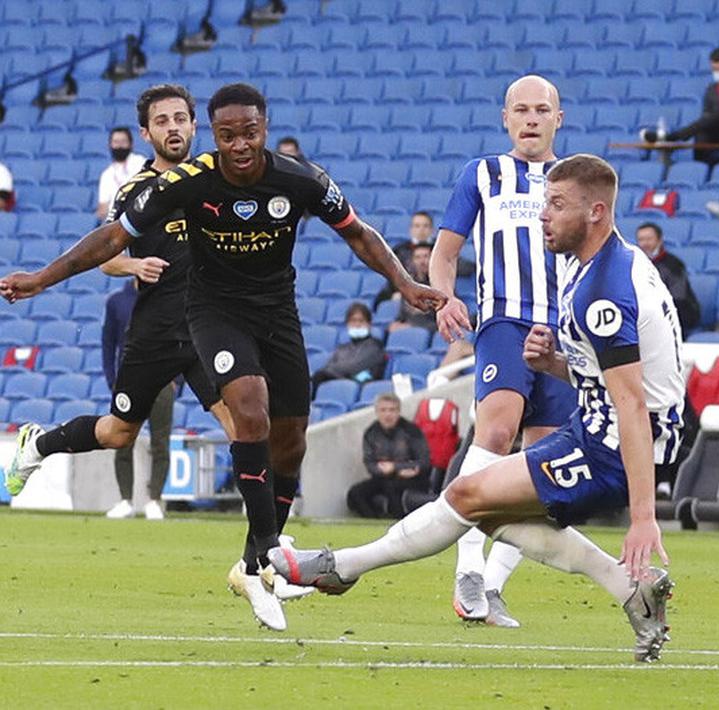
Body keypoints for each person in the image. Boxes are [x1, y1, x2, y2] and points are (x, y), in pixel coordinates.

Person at [0, 82, 446, 633]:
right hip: (194, 317)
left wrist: (403, 282)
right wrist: (42, 278)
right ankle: (269, 557)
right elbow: (111, 242)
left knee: (286, 437)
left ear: (256, 128)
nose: (237, 144)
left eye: (248, 133)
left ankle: (254, 562)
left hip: (275, 314)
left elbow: (357, 232)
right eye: (225, 134)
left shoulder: (298, 178)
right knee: (184, 421)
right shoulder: (169, 185)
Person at [271, 153, 683, 664]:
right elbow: (615, 379)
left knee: (466, 496)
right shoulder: (599, 265)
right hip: (601, 424)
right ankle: (630, 589)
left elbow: (633, 403)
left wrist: (644, 516)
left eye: (556, 205)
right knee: (484, 512)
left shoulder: (603, 290)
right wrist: (555, 364)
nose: (542, 216)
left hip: (618, 443)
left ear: (596, 212)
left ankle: (344, 566)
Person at [4, 84, 235, 528]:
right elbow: (104, 256)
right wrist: (134, 263)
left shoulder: (216, 181)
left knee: (243, 427)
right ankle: (38, 445)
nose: (173, 127)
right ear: (146, 134)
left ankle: (265, 551)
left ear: (193, 124)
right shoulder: (137, 192)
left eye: (180, 118)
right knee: (117, 432)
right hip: (156, 332)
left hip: (208, 329)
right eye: (162, 121)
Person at [428, 75, 577, 628]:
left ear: (558, 119)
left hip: (564, 336)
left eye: (542, 109)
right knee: (494, 433)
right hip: (506, 323)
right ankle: (467, 566)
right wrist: (444, 299)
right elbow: (445, 253)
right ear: (505, 118)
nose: (532, 118)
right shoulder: (483, 175)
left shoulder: (578, 179)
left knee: (547, 471)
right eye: (522, 109)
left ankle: (490, 586)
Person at [100, 278, 176, 520]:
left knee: (160, 442)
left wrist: (178, 379)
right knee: (121, 439)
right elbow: (108, 342)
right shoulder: (117, 302)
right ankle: (125, 500)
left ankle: (154, 499)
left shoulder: (167, 297)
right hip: (129, 379)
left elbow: (182, 337)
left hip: (162, 379)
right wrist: (113, 379)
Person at [644, 47, 719, 166]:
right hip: (718, 135)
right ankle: (701, 169)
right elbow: (706, 117)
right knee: (702, 131)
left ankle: (672, 137)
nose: (718, 73)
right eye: (715, 69)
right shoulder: (712, 90)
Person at [348, 393, 434, 519]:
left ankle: (398, 523)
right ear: (377, 412)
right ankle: (372, 522)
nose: (387, 414)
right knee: (355, 493)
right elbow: (369, 463)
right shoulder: (371, 433)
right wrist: (380, 470)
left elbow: (425, 462)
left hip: (412, 478)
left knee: (392, 487)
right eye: (383, 410)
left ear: (398, 412)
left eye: (392, 410)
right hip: (383, 477)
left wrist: (396, 467)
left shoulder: (411, 431)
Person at [635, 221, 701, 333]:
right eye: (641, 239)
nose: (645, 243)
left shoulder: (673, 265)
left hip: (677, 317)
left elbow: (678, 297)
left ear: (659, 240)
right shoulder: (635, 263)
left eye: (649, 239)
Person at [311, 302, 387, 394]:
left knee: (321, 375)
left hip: (361, 388)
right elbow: (327, 366)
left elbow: (352, 367)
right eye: (353, 321)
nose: (357, 324)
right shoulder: (342, 348)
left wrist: (334, 369)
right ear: (347, 324)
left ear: (369, 324)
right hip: (338, 386)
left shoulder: (375, 346)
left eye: (361, 320)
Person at [96, 126, 147, 219]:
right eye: (116, 142)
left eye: (123, 142)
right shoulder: (107, 174)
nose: (119, 146)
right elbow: (102, 208)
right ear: (109, 145)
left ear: (131, 144)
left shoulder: (141, 163)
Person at [386, 243, 439, 333]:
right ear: (413, 261)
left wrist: (411, 326)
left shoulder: (439, 285)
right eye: (418, 257)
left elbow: (438, 321)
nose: (422, 262)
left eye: (426, 256)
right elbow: (403, 314)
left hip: (429, 330)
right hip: (408, 328)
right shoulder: (408, 285)